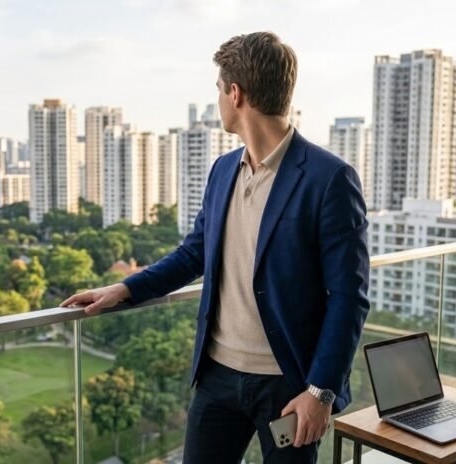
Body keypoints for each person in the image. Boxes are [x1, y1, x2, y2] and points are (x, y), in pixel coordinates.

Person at [62, 31, 370, 463]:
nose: (219, 100)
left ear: (236, 93)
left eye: (218, 90)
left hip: (289, 386)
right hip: (218, 378)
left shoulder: (329, 179)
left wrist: (320, 392)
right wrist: (125, 289)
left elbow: (348, 298)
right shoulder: (223, 170)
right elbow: (194, 253)